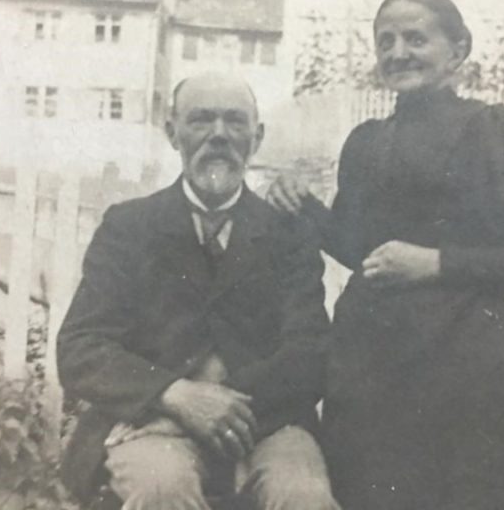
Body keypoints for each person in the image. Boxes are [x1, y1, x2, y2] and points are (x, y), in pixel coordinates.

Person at [268, 0, 504, 510]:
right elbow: (365, 252)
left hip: (468, 356)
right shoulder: (365, 142)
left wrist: (435, 263)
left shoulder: (494, 131)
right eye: (385, 41)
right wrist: (304, 209)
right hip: (373, 358)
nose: (397, 52)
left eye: (415, 38)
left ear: (457, 51)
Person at [56, 73, 339, 510]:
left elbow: (310, 351)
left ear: (257, 137)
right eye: (201, 120)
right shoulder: (130, 228)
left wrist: (222, 407)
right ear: (173, 133)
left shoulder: (288, 235)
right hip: (152, 421)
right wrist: (174, 397)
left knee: (303, 495)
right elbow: (81, 348)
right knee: (160, 489)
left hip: (269, 422)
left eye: (235, 122)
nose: (219, 136)